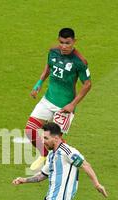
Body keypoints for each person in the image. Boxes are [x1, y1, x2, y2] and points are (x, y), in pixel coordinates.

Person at [26, 27, 92, 171]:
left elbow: (87, 84)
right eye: (61, 42)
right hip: (48, 100)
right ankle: (43, 155)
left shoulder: (79, 61)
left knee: (56, 141)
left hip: (64, 107)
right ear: (58, 40)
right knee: (29, 131)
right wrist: (39, 83)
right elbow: (48, 67)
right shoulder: (53, 52)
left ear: (74, 41)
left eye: (68, 43)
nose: (64, 46)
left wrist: (72, 104)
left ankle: (61, 167)